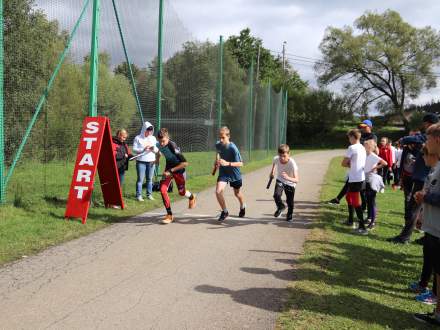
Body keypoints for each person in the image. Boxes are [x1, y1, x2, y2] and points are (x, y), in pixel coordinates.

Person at [388, 113, 439, 244]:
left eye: (425, 123)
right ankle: (425, 236)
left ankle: (405, 237)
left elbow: (419, 138)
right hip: (424, 177)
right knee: (422, 208)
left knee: (414, 208)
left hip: (424, 178)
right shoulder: (428, 137)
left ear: (428, 123)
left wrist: (404, 140)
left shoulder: (430, 135)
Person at [413, 123, 440, 326]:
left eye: (428, 138)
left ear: (437, 140)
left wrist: (426, 196)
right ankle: (438, 313)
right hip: (434, 228)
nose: (426, 142)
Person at [409, 147, 438, 306]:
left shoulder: (437, 170)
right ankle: (423, 283)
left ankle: (434, 294)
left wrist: (424, 196)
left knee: (435, 260)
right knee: (428, 254)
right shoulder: (433, 170)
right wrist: (421, 214)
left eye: (423, 156)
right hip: (430, 220)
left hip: (436, 224)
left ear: (431, 155)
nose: (422, 159)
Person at [328, 119, 376, 205]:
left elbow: (371, 149)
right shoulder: (360, 136)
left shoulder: (373, 137)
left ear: (370, 127)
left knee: (360, 188)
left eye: (364, 127)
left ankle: (362, 206)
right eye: (361, 127)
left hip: (365, 165)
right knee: (351, 184)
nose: (362, 128)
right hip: (357, 165)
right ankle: (339, 199)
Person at [153, 128, 196, 224]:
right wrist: (157, 159)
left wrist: (171, 171)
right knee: (163, 190)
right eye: (160, 141)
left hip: (179, 170)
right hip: (168, 169)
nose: (162, 143)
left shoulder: (173, 146)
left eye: (163, 141)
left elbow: (185, 163)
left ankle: (192, 197)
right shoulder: (158, 144)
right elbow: (159, 151)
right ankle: (169, 215)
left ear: (168, 138)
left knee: (181, 192)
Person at [214, 127, 245, 222]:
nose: (221, 140)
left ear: (228, 136)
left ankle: (242, 206)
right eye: (220, 137)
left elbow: (241, 163)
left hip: (235, 174)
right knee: (218, 191)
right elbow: (218, 153)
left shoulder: (233, 148)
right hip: (223, 173)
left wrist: (227, 163)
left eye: (223, 137)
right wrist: (217, 160)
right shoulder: (218, 144)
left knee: (237, 193)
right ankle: (225, 211)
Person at [341, 129, 367, 235]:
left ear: (352, 137)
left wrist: (349, 164)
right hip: (359, 177)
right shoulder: (362, 147)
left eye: (349, 137)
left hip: (355, 179)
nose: (349, 139)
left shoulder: (352, 148)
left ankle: (362, 227)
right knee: (348, 197)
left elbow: (343, 163)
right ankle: (350, 220)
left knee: (356, 202)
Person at [269, 144, 299, 222]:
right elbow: (274, 163)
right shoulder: (276, 158)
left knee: (290, 201)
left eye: (284, 156)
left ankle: (289, 214)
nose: (282, 158)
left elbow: (297, 179)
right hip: (280, 180)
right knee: (276, 195)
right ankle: (281, 206)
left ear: (289, 154)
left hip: (290, 183)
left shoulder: (292, 163)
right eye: (280, 156)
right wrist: (272, 172)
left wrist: (288, 177)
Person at [363, 139, 387, 229]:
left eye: (365, 146)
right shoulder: (365, 155)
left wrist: (375, 167)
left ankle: (373, 222)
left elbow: (385, 163)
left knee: (372, 201)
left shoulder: (373, 156)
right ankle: (369, 218)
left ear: (369, 147)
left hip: (372, 179)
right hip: (366, 179)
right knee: (368, 200)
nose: (364, 148)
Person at [133, 121, 158, 201]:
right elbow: (134, 149)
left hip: (151, 161)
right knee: (140, 179)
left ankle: (149, 194)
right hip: (141, 161)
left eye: (151, 130)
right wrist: (143, 149)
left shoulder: (153, 138)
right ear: (144, 129)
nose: (149, 132)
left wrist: (153, 148)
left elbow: (157, 150)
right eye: (148, 130)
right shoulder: (138, 138)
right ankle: (138, 195)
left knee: (149, 179)